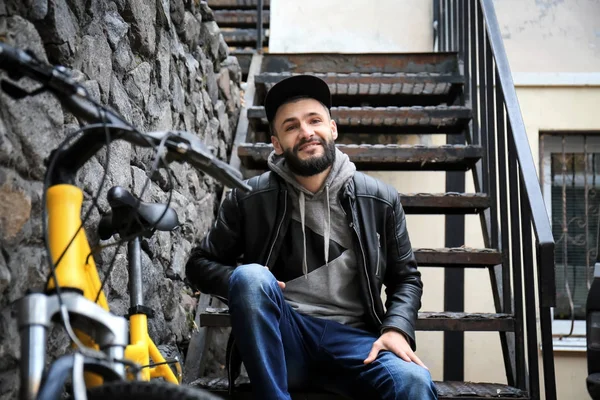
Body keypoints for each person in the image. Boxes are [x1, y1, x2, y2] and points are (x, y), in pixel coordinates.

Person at [185, 75, 437, 400]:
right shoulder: (249, 197)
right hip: (284, 336)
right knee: (250, 275)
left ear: (332, 129)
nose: (306, 132)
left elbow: (406, 279)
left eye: (314, 120)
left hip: (356, 343)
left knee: (413, 381)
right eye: (291, 127)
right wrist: (250, 285)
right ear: (277, 144)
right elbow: (199, 264)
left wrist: (396, 329)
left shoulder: (379, 199)